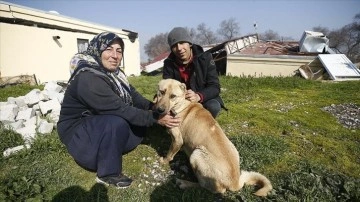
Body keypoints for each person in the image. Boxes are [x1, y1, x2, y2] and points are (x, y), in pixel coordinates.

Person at [57, 32, 180, 189]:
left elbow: (135, 97)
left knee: (132, 122)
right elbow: (120, 109)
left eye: (119, 50)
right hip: (79, 134)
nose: (115, 55)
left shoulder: (116, 74)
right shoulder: (88, 77)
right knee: (118, 122)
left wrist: (156, 108)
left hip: (99, 123)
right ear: (97, 49)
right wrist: (156, 118)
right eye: (109, 49)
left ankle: (113, 144)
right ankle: (107, 173)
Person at [163, 27, 227, 118]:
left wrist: (198, 96)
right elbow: (166, 87)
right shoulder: (168, 63)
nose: (179, 48)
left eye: (182, 43)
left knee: (213, 106)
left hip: (202, 97)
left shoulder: (205, 58)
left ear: (189, 43)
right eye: (174, 46)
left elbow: (214, 86)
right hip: (179, 99)